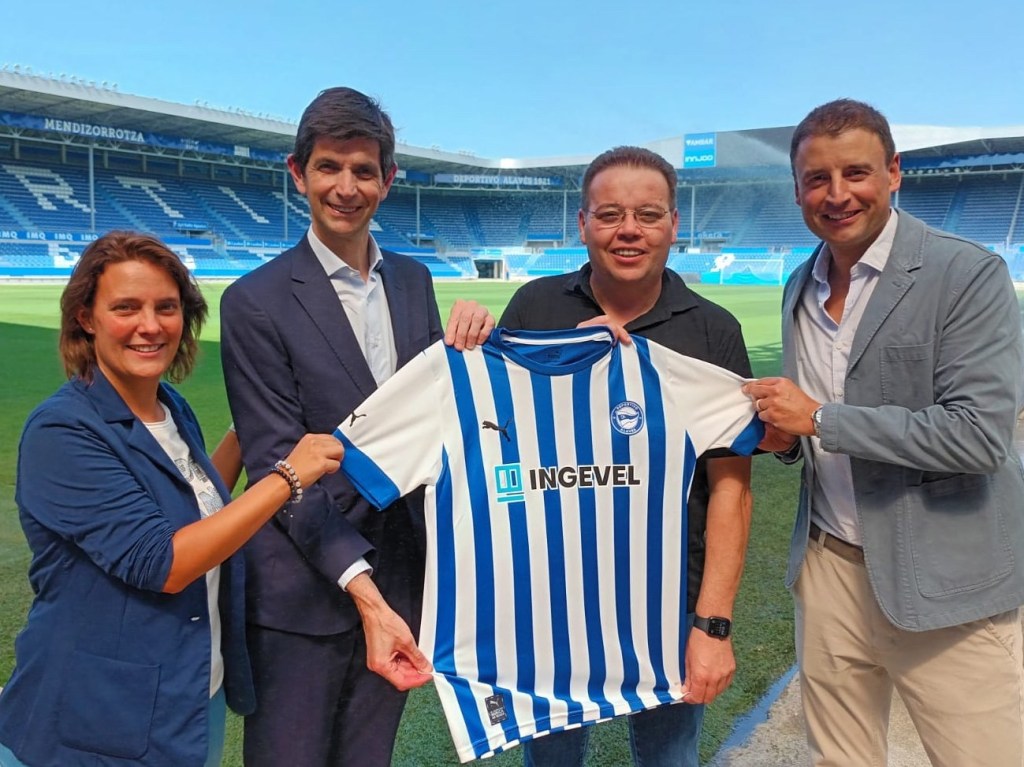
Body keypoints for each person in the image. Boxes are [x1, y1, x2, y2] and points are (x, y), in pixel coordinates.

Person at [743, 98, 1024, 766]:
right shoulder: (799, 286)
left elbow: (979, 435)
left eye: (856, 172)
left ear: (894, 172)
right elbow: (811, 422)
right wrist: (787, 439)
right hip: (829, 567)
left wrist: (819, 420)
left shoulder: (968, 274)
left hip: (946, 578)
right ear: (797, 190)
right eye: (817, 178)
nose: (837, 194)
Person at [219, 86, 492, 767]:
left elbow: (435, 421)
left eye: (364, 170)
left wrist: (480, 345)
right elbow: (278, 465)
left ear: (388, 179)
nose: (346, 187)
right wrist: (363, 592)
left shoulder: (414, 281)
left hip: (400, 580)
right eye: (329, 167)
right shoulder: (253, 301)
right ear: (298, 173)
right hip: (301, 596)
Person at [0, 231, 342, 767]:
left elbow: (196, 505)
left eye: (166, 307)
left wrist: (250, 427)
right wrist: (287, 477)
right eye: (125, 308)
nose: (151, 325)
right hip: (97, 714)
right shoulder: (62, 431)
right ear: (86, 318)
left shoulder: (169, 407)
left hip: (188, 691)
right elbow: (165, 562)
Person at [499, 146, 754, 767]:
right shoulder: (534, 309)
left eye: (648, 214)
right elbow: (496, 449)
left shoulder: (713, 330)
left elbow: (731, 488)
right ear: (583, 223)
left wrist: (713, 625)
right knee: (550, 762)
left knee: (669, 759)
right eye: (610, 214)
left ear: (674, 224)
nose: (629, 230)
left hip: (671, 602)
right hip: (550, 598)